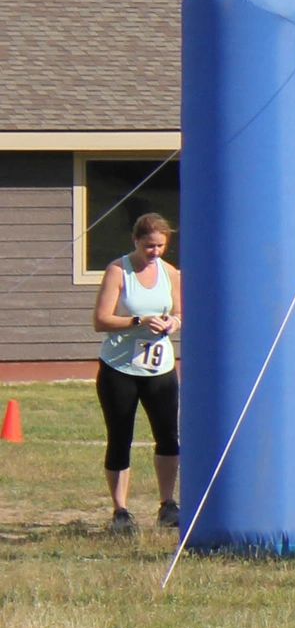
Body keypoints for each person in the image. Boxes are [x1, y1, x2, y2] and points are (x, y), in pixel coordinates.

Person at [92, 212, 182, 532]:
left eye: (160, 246)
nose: (154, 252)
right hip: (120, 367)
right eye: (148, 247)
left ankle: (168, 504)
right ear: (135, 241)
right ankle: (121, 511)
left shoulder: (170, 273)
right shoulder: (118, 271)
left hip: (159, 368)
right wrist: (137, 322)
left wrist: (173, 323)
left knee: (168, 435)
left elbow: (179, 312)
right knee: (120, 437)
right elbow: (101, 320)